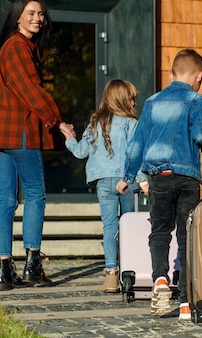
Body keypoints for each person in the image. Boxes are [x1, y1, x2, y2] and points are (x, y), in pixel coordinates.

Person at [116, 49, 202, 320]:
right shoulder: (196, 99)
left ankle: (161, 279)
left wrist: (127, 177)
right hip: (187, 178)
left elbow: (137, 143)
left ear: (171, 74)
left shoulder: (152, 102)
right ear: (200, 75)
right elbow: (200, 134)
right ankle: (186, 303)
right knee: (187, 238)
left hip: (159, 177)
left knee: (160, 231)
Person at [0, 0, 75, 291]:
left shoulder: (15, 48)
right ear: (18, 16)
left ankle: (4, 271)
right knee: (35, 194)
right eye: (31, 13)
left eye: (41, 14)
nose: (37, 18)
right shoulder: (18, 47)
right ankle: (33, 265)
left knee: (6, 200)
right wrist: (58, 121)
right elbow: (30, 92)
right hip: (18, 135)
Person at [60, 79, 148, 293]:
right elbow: (136, 155)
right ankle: (131, 269)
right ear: (122, 100)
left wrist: (69, 139)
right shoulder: (131, 123)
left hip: (103, 183)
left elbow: (81, 152)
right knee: (130, 226)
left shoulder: (95, 123)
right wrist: (143, 178)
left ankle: (111, 274)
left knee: (110, 228)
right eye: (132, 98)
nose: (135, 102)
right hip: (126, 182)